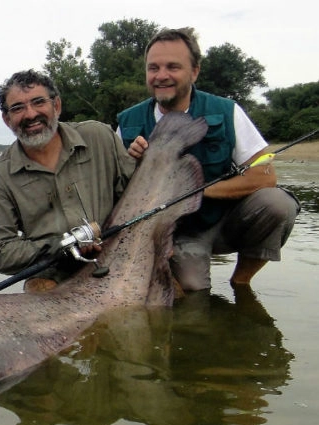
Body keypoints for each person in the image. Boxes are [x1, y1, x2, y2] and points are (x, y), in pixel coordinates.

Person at [117, 28, 300, 291]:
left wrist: (196, 191)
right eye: (153, 67)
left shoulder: (227, 111)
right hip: (173, 233)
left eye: (173, 67)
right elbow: (114, 196)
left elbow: (265, 176)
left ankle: (241, 283)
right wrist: (133, 163)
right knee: (192, 293)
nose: (161, 76)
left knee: (277, 204)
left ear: (194, 72)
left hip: (224, 223)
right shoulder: (126, 123)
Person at [0, 69, 136, 293]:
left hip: (119, 251)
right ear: (7, 119)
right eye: (18, 108)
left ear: (57, 106)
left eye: (38, 102)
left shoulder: (100, 137)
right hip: (51, 271)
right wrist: (62, 245)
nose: (31, 114)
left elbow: (137, 195)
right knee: (37, 291)